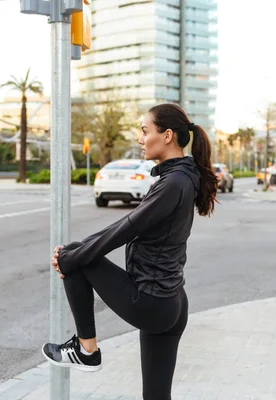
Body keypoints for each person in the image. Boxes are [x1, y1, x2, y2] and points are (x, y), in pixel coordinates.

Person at [42, 103, 218, 399]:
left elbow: (126, 229)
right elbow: (126, 224)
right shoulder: (181, 178)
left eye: (145, 131)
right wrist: (79, 251)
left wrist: (70, 258)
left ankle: (87, 350)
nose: (140, 138)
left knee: (74, 256)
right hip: (171, 302)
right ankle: (86, 348)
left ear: (167, 136)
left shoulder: (173, 183)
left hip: (151, 301)